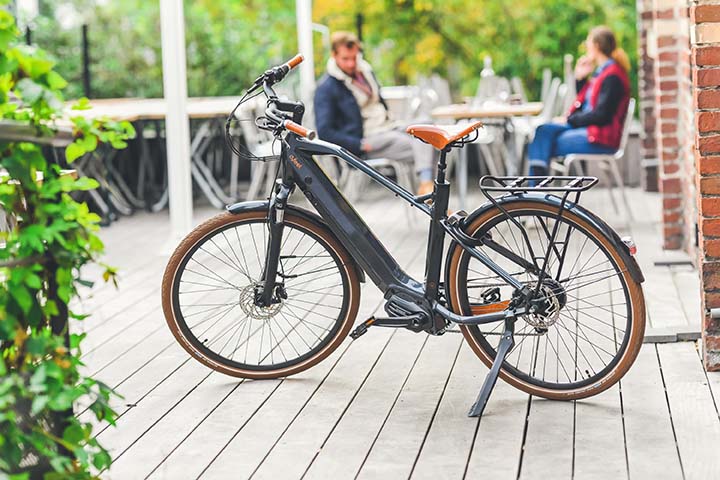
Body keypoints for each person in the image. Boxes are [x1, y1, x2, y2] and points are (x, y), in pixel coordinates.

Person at [313, 31, 435, 195]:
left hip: (388, 126)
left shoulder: (365, 72)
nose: (351, 64)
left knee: (427, 128)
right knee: (424, 145)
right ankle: (429, 191)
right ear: (334, 55)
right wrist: (359, 145)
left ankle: (427, 189)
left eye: (354, 58)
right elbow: (325, 132)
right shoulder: (326, 89)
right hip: (367, 138)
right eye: (345, 59)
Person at [527, 26, 631, 177]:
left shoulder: (612, 76)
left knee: (544, 143)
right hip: (589, 130)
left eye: (588, 43)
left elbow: (602, 115)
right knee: (543, 131)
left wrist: (570, 120)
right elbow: (587, 103)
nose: (586, 47)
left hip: (601, 137)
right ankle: (537, 190)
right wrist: (580, 78)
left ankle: (535, 190)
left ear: (596, 46)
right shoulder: (602, 72)